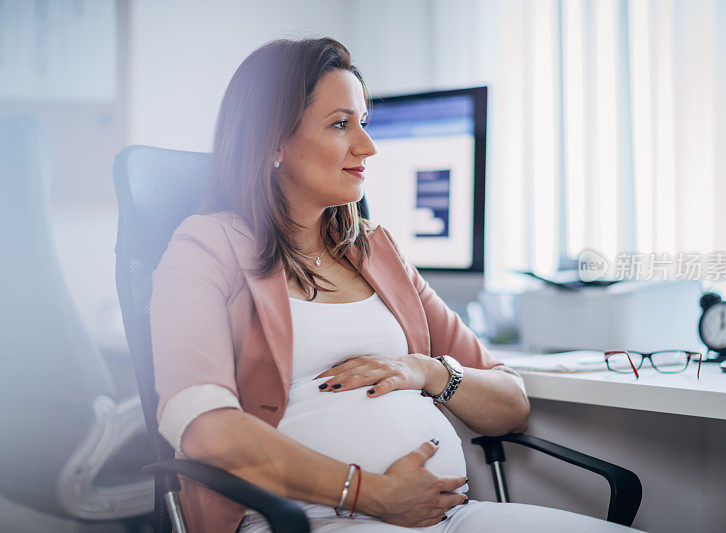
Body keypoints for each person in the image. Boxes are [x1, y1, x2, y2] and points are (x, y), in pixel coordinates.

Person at [150, 37, 640, 532]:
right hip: (307, 521)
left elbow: (511, 405)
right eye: (341, 124)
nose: (368, 146)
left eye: (365, 123)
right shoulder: (207, 247)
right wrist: (372, 493)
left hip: (447, 515)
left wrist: (426, 371)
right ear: (272, 140)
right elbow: (204, 430)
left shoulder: (375, 252)